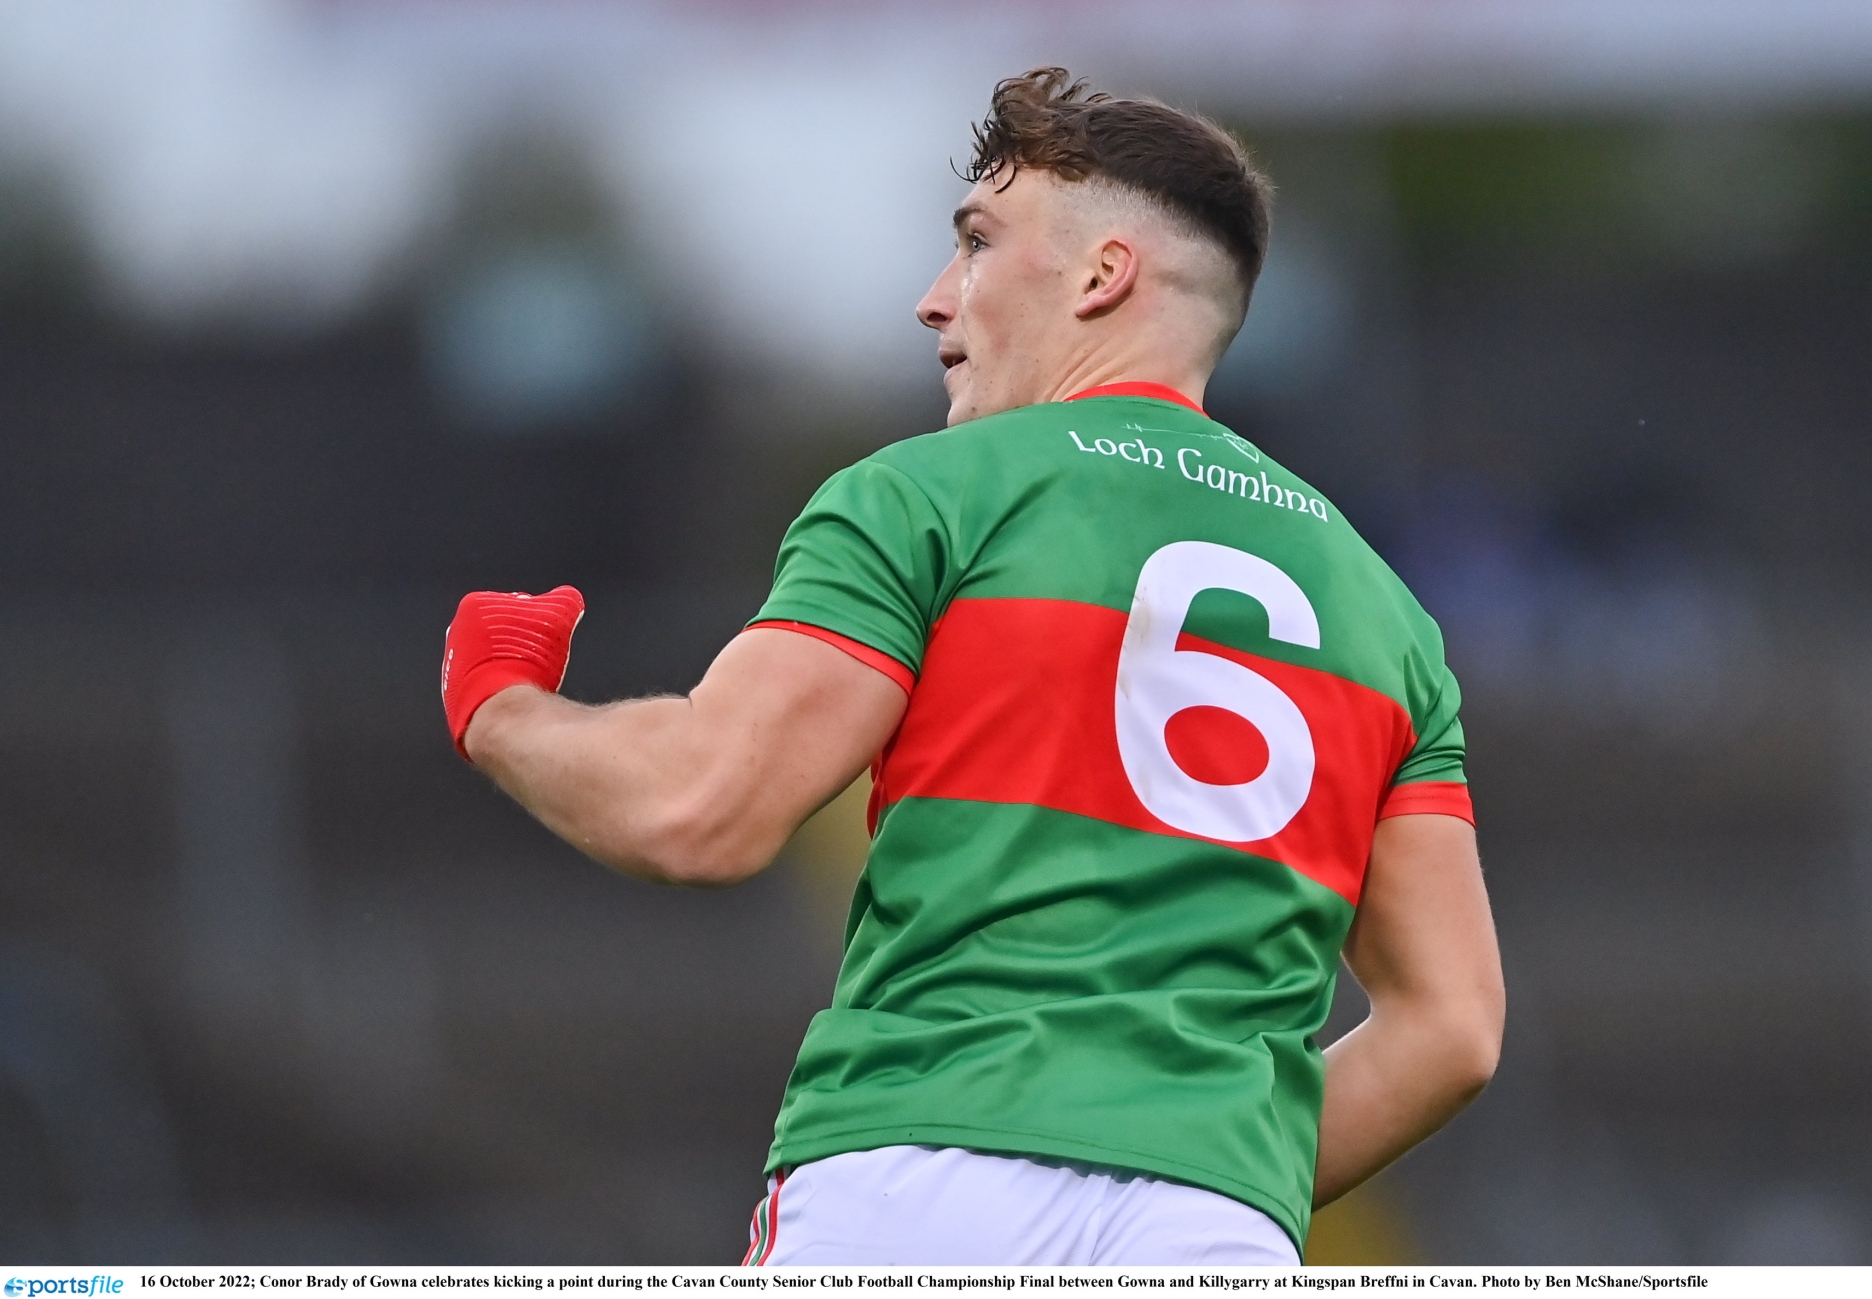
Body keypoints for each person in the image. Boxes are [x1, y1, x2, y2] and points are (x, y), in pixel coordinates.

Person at [440, 67, 1504, 1266]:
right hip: (1211, 1227)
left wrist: (502, 709)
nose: (934, 299)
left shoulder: (930, 496)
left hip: (915, 1181)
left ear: (1102, 276)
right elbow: (1453, 1029)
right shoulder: (1384, 611)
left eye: (978, 243)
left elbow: (697, 807)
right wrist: (1214, 1172)